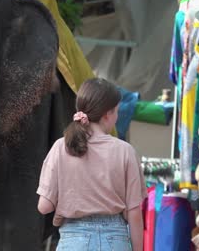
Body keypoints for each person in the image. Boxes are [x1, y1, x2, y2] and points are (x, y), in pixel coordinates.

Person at [36, 78, 147, 251]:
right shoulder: (126, 151)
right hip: (115, 240)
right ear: (107, 114)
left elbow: (44, 207)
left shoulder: (61, 147)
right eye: (117, 112)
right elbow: (134, 213)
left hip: (73, 240)